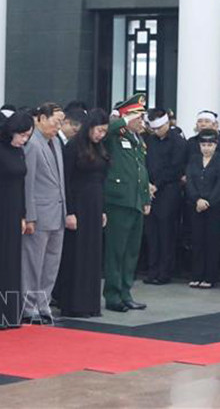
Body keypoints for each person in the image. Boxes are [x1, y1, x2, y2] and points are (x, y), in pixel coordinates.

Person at [0, 111, 33, 329]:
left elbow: (21, 185)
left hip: (14, 212)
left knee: (12, 263)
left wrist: (23, 214)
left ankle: (10, 313)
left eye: (28, 136)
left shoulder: (19, 151)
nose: (24, 140)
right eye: (22, 135)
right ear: (12, 131)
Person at [58, 109, 110, 318]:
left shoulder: (100, 148)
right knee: (76, 254)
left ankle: (90, 303)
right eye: (99, 130)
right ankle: (73, 303)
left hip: (95, 204)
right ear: (89, 127)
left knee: (92, 254)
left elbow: (101, 180)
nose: (101, 135)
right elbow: (66, 180)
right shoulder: (73, 146)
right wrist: (69, 212)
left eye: (104, 131)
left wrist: (103, 209)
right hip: (78, 204)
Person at [103, 94, 150, 313]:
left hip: (135, 201)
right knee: (116, 251)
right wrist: (122, 120)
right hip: (119, 201)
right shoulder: (115, 135)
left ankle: (125, 292)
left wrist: (145, 198)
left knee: (131, 252)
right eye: (138, 117)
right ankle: (113, 295)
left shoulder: (137, 139)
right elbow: (105, 131)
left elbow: (142, 171)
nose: (142, 122)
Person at [21, 103, 66, 324]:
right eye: (56, 122)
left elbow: (60, 180)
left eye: (61, 123)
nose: (59, 127)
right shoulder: (32, 143)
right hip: (39, 213)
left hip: (57, 211)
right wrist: (29, 216)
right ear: (41, 119)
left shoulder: (56, 141)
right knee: (33, 263)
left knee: (51, 264)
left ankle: (43, 303)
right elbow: (28, 183)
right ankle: (28, 306)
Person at [143, 108, 187, 285]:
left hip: (169, 191)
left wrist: (157, 184)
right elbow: (145, 163)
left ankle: (164, 272)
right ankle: (152, 270)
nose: (156, 132)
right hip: (150, 191)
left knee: (166, 233)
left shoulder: (178, 142)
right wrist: (148, 183)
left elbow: (176, 168)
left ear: (167, 123)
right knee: (152, 233)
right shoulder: (150, 141)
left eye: (159, 128)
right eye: (153, 129)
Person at [185, 129, 220, 288]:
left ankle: (210, 277)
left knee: (211, 241)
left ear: (215, 145)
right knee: (197, 241)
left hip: (214, 207)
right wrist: (197, 199)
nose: (206, 148)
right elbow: (189, 181)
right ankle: (197, 275)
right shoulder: (194, 160)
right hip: (196, 206)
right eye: (203, 145)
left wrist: (208, 201)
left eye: (210, 145)